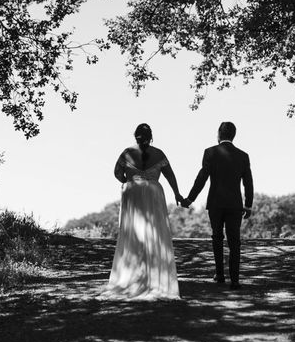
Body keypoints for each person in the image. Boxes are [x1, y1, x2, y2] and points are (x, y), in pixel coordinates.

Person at [104, 123, 184, 299]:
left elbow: (117, 173)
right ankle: (155, 276)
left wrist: (128, 179)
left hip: (133, 193)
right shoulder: (159, 154)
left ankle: (131, 274)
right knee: (154, 233)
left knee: (133, 232)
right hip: (153, 192)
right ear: (151, 136)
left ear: (135, 136)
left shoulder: (126, 153)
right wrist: (177, 193)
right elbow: (170, 175)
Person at [181, 122, 254, 290]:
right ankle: (235, 280)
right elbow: (248, 182)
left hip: (215, 202)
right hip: (235, 204)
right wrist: (248, 205)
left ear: (219, 134)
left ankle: (220, 274)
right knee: (234, 240)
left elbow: (202, 178)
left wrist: (190, 199)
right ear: (234, 135)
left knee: (217, 237)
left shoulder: (210, 152)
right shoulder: (243, 156)